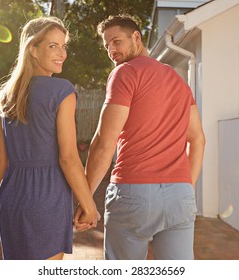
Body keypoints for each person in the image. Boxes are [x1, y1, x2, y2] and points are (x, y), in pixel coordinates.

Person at [74, 14, 205, 260]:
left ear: (136, 37)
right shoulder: (178, 80)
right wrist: (186, 186)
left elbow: (104, 141)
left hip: (134, 193)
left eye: (116, 41)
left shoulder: (126, 72)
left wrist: (86, 198)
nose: (111, 50)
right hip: (180, 197)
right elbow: (198, 139)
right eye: (107, 46)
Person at [0, 16, 98, 260]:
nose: (62, 53)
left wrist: (14, 195)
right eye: (53, 46)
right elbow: (69, 158)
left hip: (11, 200)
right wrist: (89, 206)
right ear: (33, 49)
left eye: (63, 46)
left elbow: (0, 158)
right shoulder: (61, 91)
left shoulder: (8, 95)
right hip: (47, 200)